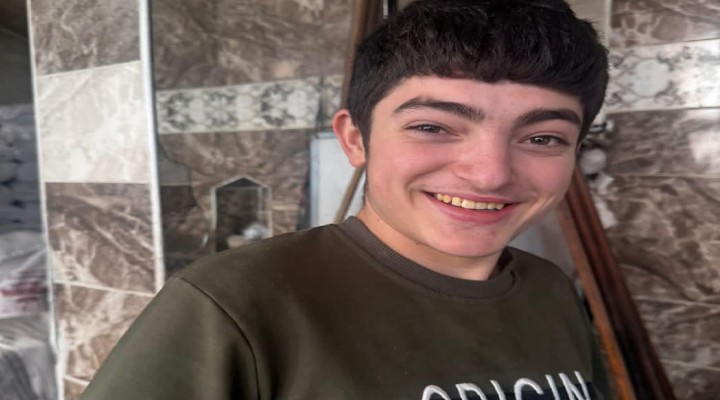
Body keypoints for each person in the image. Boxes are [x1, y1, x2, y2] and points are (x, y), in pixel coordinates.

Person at [81, 0, 610, 399]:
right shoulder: (234, 305)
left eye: (543, 138)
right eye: (432, 127)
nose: (490, 174)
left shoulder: (549, 291)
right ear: (355, 139)